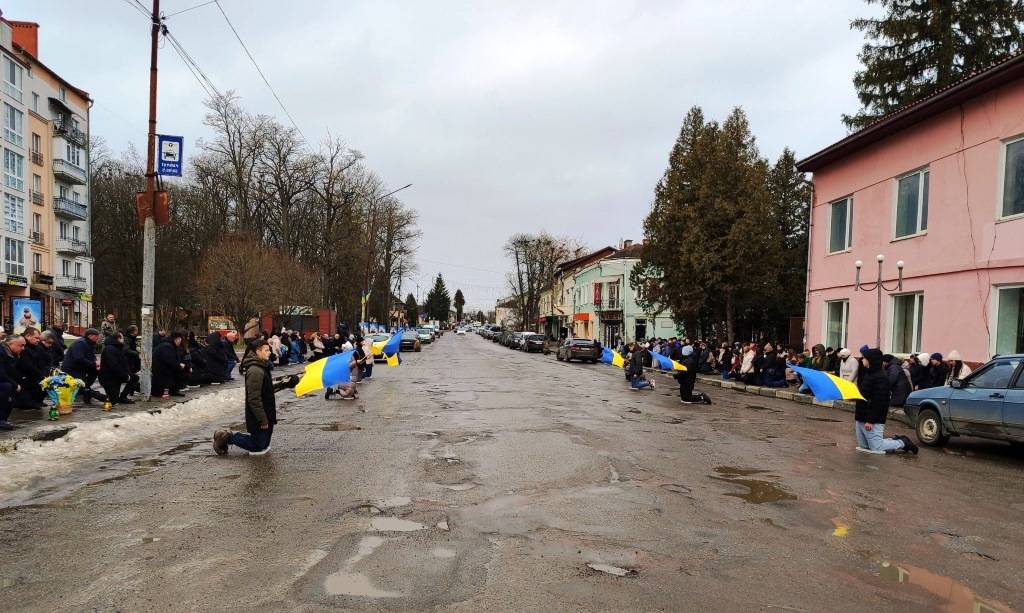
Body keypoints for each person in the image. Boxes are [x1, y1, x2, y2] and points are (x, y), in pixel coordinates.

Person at [212, 340, 298, 456]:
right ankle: (225, 437)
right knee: (257, 447)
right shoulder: (255, 370)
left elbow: (266, 389)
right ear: (257, 351)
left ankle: (229, 436)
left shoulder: (262, 365)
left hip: (267, 411)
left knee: (264, 445)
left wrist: (285, 384)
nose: (269, 353)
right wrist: (262, 419)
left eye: (269, 350)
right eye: (266, 350)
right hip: (259, 415)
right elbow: (253, 398)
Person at [854, 348, 917, 454]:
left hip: (872, 419)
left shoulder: (881, 377)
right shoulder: (868, 374)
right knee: (864, 446)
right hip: (861, 417)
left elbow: (880, 402)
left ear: (871, 360)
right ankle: (892, 441)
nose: (861, 360)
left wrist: (870, 420)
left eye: (864, 358)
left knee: (876, 447)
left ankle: (902, 442)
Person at [62, 328, 105, 405]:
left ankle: (86, 389)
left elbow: (92, 356)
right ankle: (86, 390)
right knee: (81, 383)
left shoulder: (90, 343)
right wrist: (93, 364)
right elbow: (79, 358)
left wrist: (96, 363)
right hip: (72, 368)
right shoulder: (80, 343)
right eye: (97, 336)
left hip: (81, 366)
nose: (98, 338)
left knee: (95, 370)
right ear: (90, 336)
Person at [100, 333, 138, 405]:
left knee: (134, 377)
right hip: (108, 378)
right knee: (113, 401)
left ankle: (123, 397)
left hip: (117, 376)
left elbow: (123, 364)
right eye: (122, 338)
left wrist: (128, 373)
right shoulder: (109, 349)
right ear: (118, 339)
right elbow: (114, 365)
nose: (123, 339)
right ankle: (91, 393)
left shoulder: (119, 348)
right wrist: (125, 376)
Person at [17, 328, 48, 409]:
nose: (38, 340)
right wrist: (41, 375)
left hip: (35, 374)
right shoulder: (23, 348)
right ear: (27, 336)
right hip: (25, 376)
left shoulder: (35, 347)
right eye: (36, 338)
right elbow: (28, 366)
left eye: (39, 338)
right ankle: (31, 402)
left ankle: (37, 401)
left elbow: (41, 361)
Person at [0, 335, 24, 430]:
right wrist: (15, 384)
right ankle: (1, 419)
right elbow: (1, 373)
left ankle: (3, 419)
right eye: (20, 346)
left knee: (11, 387)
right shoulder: (2, 352)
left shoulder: (11, 353)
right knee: (7, 387)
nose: (23, 348)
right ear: (11, 344)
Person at [152, 332, 187, 398]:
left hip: (162, 368)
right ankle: (170, 391)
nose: (180, 342)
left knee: (179, 369)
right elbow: (169, 361)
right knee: (178, 370)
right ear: (176, 339)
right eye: (180, 340)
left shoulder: (169, 345)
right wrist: (179, 365)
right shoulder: (167, 346)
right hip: (160, 370)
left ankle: (173, 390)